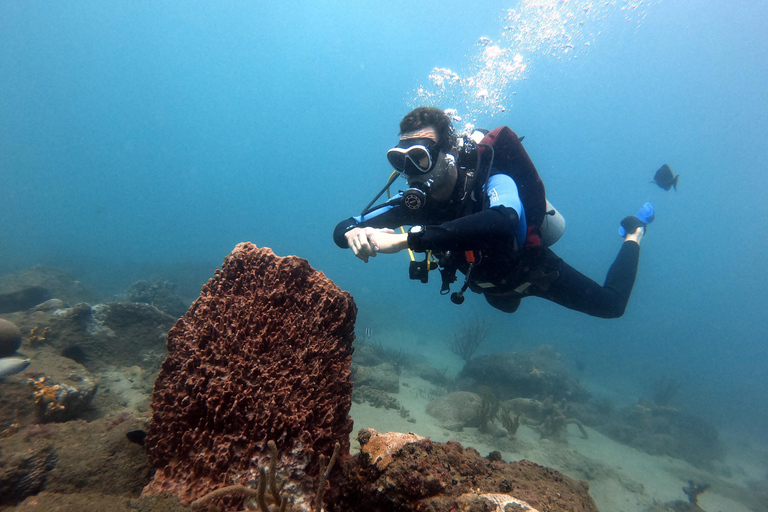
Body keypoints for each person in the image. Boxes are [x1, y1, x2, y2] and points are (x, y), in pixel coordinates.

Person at [332, 107, 654, 318]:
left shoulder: (490, 180)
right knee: (505, 305)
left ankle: (634, 233)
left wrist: (407, 240)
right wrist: (356, 233)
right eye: (401, 161)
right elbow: (343, 229)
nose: (411, 171)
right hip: (490, 288)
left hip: (533, 276)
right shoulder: (418, 202)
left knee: (612, 306)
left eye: (421, 156)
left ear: (449, 153)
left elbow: (506, 220)